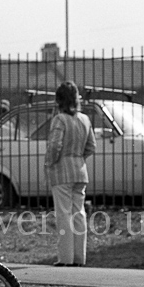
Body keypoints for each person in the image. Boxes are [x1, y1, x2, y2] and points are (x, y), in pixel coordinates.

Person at [46, 81, 96, 267]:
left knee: (63, 214)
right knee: (79, 213)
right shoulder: (84, 119)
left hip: (61, 172)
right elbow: (92, 146)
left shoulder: (60, 119)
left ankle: (65, 258)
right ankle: (79, 258)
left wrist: (50, 162)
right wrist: (78, 158)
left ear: (58, 100)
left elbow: (54, 145)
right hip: (80, 170)